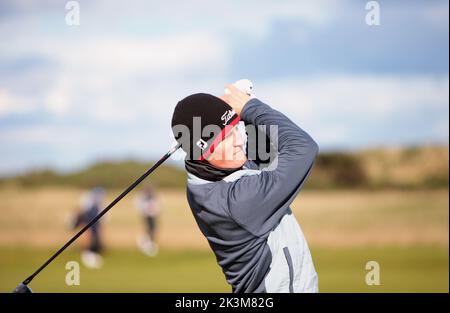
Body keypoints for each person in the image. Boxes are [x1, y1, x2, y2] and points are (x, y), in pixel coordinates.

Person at [171, 83, 319, 293]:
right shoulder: (236, 201)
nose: (239, 141)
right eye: (227, 137)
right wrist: (250, 107)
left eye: (236, 130)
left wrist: (244, 112)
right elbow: (303, 148)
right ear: (204, 153)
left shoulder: (206, 179)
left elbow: (260, 158)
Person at [70, 186, 105, 268]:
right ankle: (86, 254)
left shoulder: (99, 201)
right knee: (87, 236)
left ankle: (90, 254)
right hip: (86, 219)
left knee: (94, 237)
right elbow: (81, 211)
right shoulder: (86, 198)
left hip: (94, 219)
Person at [134, 185, 161, 256]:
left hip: (152, 215)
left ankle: (151, 244)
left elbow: (157, 206)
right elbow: (140, 206)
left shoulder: (153, 197)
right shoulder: (142, 197)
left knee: (153, 230)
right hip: (146, 215)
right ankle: (147, 244)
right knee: (148, 230)